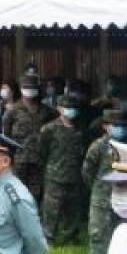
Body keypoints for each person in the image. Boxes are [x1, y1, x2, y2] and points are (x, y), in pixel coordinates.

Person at [35, 94, 87, 244]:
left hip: (75, 175)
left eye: (73, 108)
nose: (71, 111)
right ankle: (48, 238)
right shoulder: (49, 129)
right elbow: (41, 152)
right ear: (59, 109)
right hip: (54, 175)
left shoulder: (80, 130)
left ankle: (70, 237)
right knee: (51, 209)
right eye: (67, 108)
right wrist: (50, 167)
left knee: (73, 209)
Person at [82, 109, 127, 254]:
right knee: (99, 230)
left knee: (121, 229)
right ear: (106, 127)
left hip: (124, 195)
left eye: (123, 126)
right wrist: (97, 189)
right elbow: (88, 171)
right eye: (116, 125)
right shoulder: (98, 146)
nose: (121, 129)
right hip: (101, 195)